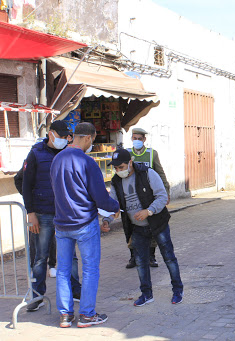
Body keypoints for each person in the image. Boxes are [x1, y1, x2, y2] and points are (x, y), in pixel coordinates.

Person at [50, 122, 120, 328]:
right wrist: (114, 206)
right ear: (89, 138)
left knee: (62, 270)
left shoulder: (57, 159)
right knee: (90, 269)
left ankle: (65, 315)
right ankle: (87, 315)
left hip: (61, 224)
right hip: (84, 223)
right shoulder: (87, 163)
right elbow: (100, 197)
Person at [102, 149, 184, 306]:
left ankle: (177, 290)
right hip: (137, 228)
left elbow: (162, 196)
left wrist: (149, 211)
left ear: (130, 163)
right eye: (116, 168)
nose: (119, 171)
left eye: (122, 167)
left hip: (157, 224)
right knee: (141, 262)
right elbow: (113, 204)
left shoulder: (147, 173)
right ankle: (146, 294)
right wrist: (107, 220)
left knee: (169, 258)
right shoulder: (116, 181)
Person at [21, 121, 81, 312]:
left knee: (70, 255)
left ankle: (75, 290)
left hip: (65, 214)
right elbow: (26, 185)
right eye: (61, 136)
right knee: (40, 257)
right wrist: (30, 213)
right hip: (43, 212)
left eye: (66, 137)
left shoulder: (67, 153)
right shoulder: (36, 154)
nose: (64, 140)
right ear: (50, 133)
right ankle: (37, 296)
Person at [125, 127, 171, 269]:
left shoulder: (152, 154)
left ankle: (151, 256)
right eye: (134, 138)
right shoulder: (126, 153)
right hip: (131, 196)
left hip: (148, 196)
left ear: (144, 140)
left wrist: (166, 191)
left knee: (152, 227)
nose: (137, 141)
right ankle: (133, 257)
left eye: (140, 138)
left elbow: (160, 173)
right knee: (131, 227)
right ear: (131, 139)